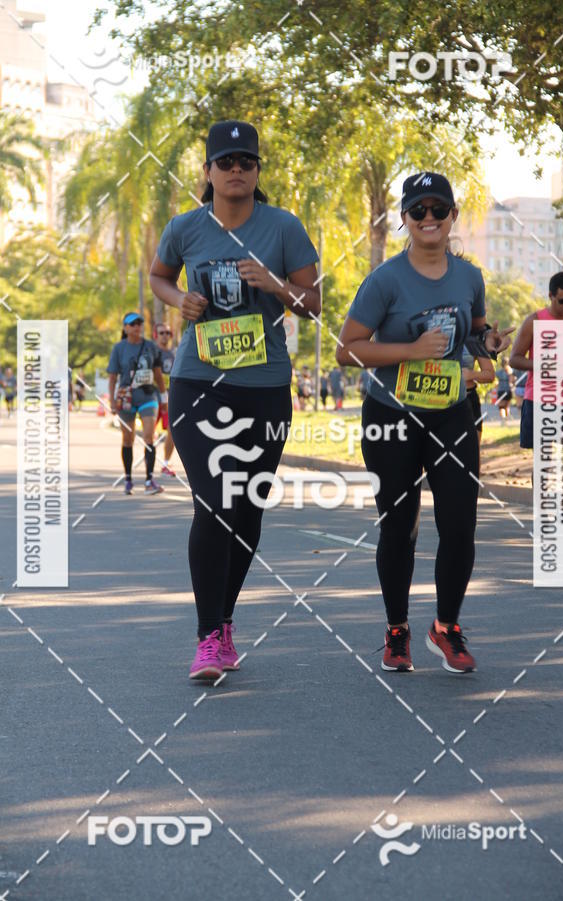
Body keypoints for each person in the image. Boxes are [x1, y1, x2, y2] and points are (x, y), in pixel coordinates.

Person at [149, 120, 320, 681]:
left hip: (265, 386)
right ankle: (206, 638)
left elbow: (313, 303)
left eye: (247, 161)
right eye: (227, 162)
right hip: (198, 383)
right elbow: (159, 277)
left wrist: (274, 285)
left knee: (246, 510)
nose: (237, 169)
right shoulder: (185, 227)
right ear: (208, 172)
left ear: (257, 171)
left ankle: (223, 622)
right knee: (214, 504)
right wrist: (180, 300)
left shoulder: (284, 227)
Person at [336, 172, 512, 675]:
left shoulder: (469, 276)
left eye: (439, 210)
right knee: (400, 526)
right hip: (391, 415)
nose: (430, 219)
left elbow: (474, 333)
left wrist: (488, 345)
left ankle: (446, 627)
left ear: (454, 216)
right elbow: (347, 349)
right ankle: (397, 631)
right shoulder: (385, 280)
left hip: (454, 411)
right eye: (419, 211)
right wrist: (410, 351)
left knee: (460, 524)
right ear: (405, 221)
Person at [509, 271, 563, 449]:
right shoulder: (534, 321)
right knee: (543, 464)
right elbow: (514, 360)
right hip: (540, 399)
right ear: (550, 296)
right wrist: (542, 364)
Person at [107, 312, 167, 495]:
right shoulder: (119, 349)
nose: (137, 327)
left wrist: (164, 398)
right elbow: (112, 377)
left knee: (150, 436)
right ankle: (128, 479)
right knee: (128, 439)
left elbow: (158, 374)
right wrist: (112, 401)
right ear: (125, 328)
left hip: (148, 397)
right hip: (126, 399)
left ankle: (149, 480)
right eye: (132, 324)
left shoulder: (150, 347)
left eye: (139, 324)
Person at [461, 342, 495, 448]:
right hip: (437, 401)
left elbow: (490, 375)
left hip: (468, 398)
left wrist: (471, 374)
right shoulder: (430, 329)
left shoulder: (473, 338)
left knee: (472, 453)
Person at [154, 322, 177, 476]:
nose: (165, 336)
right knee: (150, 432)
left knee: (172, 430)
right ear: (156, 335)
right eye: (161, 333)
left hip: (171, 397)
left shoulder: (174, 354)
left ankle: (166, 464)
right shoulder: (151, 352)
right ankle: (149, 468)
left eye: (167, 333)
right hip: (152, 396)